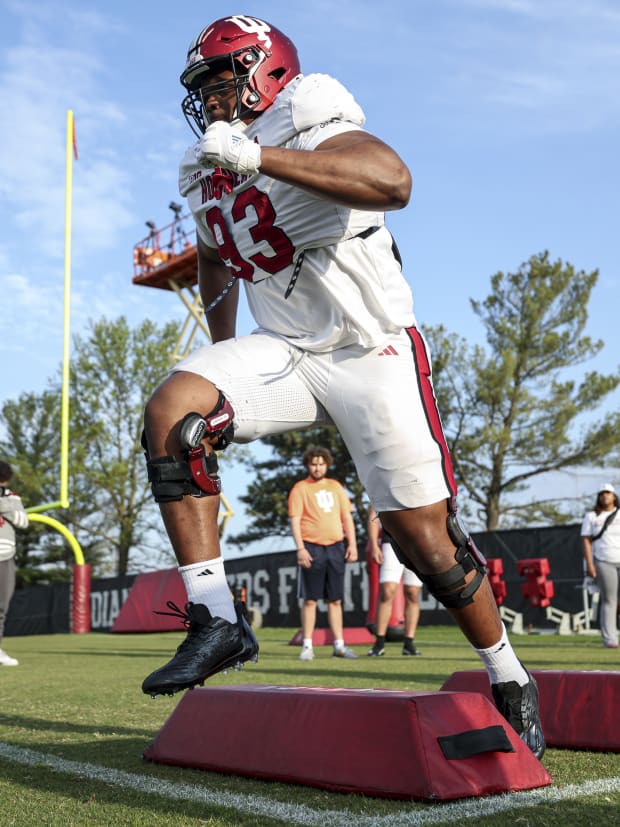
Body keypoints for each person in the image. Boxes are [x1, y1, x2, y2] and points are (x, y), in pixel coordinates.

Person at [140, 14, 544, 759]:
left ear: (267, 71)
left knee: (426, 543)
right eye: (201, 87)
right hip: (288, 348)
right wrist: (222, 353)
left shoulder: (306, 111)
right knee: (173, 412)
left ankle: (509, 676)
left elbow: (393, 180)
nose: (209, 98)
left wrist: (258, 155)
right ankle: (216, 617)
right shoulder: (202, 166)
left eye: (219, 79)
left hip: (373, 349)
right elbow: (214, 251)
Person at [288, 446, 358, 660]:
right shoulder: (300, 488)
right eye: (313, 464)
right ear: (308, 465)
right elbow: (295, 520)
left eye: (321, 464)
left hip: (336, 546)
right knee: (310, 599)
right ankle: (307, 645)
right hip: (311, 547)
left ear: (327, 464)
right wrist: (300, 548)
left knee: (335, 599)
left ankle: (339, 645)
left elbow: (346, 518)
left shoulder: (336, 486)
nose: (317, 468)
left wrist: (352, 544)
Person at [367, 505, 422, 657]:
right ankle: (379, 642)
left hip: (415, 542)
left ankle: (409, 643)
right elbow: (373, 515)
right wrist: (374, 545)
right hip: (390, 541)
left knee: (413, 592)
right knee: (387, 591)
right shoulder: (385, 484)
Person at [581, 483, 620, 649]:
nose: (605, 496)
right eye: (602, 493)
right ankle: (610, 638)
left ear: (614, 496)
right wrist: (590, 564)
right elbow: (586, 540)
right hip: (603, 560)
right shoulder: (591, 516)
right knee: (609, 599)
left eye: (608, 493)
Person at [0, 461, 29, 666]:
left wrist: (4, 507)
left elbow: (23, 521)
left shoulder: (11, 498)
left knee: (1, 607)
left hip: (5, 556)